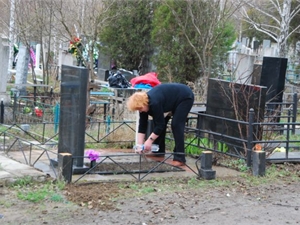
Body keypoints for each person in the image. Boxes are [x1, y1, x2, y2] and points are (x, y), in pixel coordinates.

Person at [127, 83, 194, 166]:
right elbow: (142, 125)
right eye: (138, 110)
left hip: (184, 97)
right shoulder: (143, 106)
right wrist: (139, 145)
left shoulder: (154, 103)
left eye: (140, 109)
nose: (140, 111)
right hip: (169, 101)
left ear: (145, 103)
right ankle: (159, 151)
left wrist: (149, 141)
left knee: (176, 125)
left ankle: (180, 158)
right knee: (157, 123)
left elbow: (160, 125)